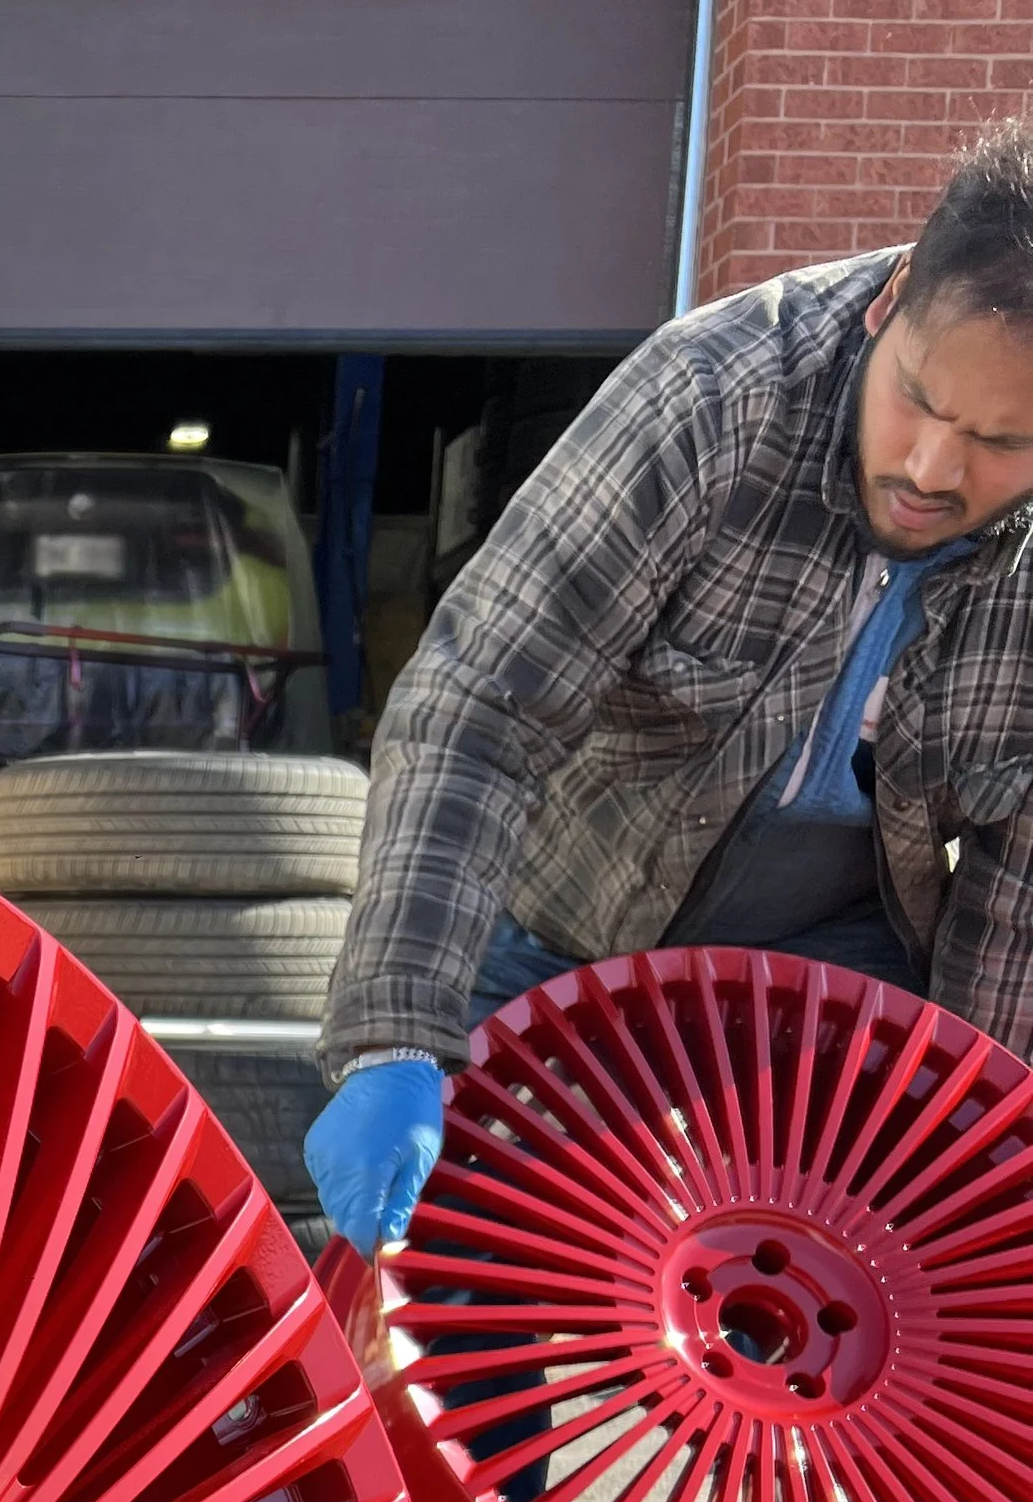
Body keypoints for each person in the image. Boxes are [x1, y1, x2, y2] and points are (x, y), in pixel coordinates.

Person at [305, 123, 1033, 1259]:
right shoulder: (711, 401)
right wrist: (395, 1033)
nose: (933, 471)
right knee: (452, 1270)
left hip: (833, 939)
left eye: (998, 442)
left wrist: (980, 1139)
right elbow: (484, 706)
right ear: (891, 300)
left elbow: (1017, 877)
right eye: (919, 404)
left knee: (894, 1296)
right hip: (566, 904)